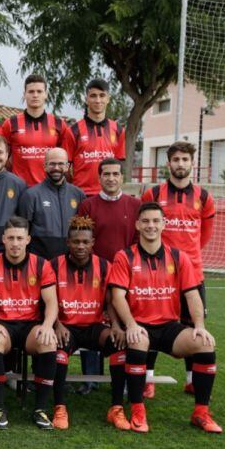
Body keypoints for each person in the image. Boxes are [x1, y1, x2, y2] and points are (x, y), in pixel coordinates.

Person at [109, 202, 222, 433]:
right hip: (140, 325)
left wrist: (199, 325)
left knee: (204, 343)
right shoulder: (124, 256)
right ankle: (138, 410)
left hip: (169, 326)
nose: (151, 225)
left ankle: (201, 412)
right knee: (138, 339)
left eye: (156, 221)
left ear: (164, 224)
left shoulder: (179, 257)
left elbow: (192, 295)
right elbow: (117, 296)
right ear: (137, 225)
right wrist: (130, 324)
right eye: (146, 221)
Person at [140, 141, 215, 398]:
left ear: (192, 163)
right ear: (168, 163)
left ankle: (192, 379)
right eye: (176, 159)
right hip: (158, 272)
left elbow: (204, 235)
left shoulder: (204, 197)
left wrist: (187, 256)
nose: (180, 164)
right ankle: (147, 379)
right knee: (149, 321)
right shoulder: (153, 193)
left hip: (191, 272)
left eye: (185, 159)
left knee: (193, 324)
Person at [50, 215, 129, 430]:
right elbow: (47, 300)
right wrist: (56, 324)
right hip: (67, 327)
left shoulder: (104, 266)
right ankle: (59, 407)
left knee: (118, 345)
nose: (80, 246)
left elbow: (111, 300)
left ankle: (116, 408)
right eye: (76, 242)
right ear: (68, 242)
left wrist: (115, 325)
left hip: (94, 326)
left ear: (93, 243)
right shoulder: (54, 265)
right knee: (58, 349)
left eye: (85, 242)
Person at [0, 216, 59, 430]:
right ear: (3, 239)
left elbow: (51, 301)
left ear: (28, 240)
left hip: (29, 325)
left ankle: (40, 409)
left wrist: (47, 325)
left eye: (20, 238)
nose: (15, 243)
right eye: (11, 238)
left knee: (48, 342)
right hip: (3, 324)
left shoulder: (41, 264)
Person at [76, 159, 141, 392]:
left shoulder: (135, 205)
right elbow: (82, 238)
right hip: (94, 276)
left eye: (115, 174)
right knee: (92, 322)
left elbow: (137, 242)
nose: (111, 178)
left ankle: (121, 380)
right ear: (99, 177)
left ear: (122, 177)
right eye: (106, 174)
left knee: (122, 325)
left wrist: (125, 268)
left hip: (124, 278)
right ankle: (90, 379)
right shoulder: (88, 205)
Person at [2, 74, 70, 186]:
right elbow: (2, 159)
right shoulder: (10, 124)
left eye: (39, 91)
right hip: (19, 189)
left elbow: (66, 161)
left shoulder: (59, 124)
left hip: (50, 188)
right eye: (31, 92)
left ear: (46, 94)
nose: (35, 95)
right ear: (24, 95)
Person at [18, 148, 85, 260]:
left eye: (60, 164)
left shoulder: (78, 194)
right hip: (40, 261)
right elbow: (23, 231)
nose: (56, 168)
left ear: (67, 167)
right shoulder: (31, 195)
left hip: (70, 261)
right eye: (52, 164)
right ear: (44, 166)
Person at [63, 79, 125, 197]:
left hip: (109, 195)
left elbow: (119, 166)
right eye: (93, 96)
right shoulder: (73, 131)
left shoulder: (118, 130)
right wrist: (74, 189)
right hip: (81, 195)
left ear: (108, 99)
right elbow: (65, 168)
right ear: (86, 99)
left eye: (102, 96)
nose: (98, 100)